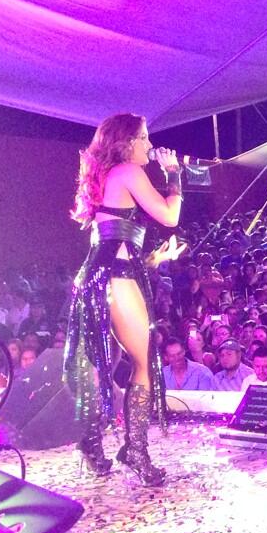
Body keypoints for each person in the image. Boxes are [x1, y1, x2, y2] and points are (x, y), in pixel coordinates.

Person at [64, 113, 186, 486]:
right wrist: (174, 174)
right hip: (115, 280)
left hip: (101, 277)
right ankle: (135, 451)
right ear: (127, 142)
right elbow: (169, 215)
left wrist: (155, 260)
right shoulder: (129, 172)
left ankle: (91, 443)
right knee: (144, 363)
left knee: (110, 362)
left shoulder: (108, 178)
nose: (150, 145)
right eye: (144, 138)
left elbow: (112, 244)